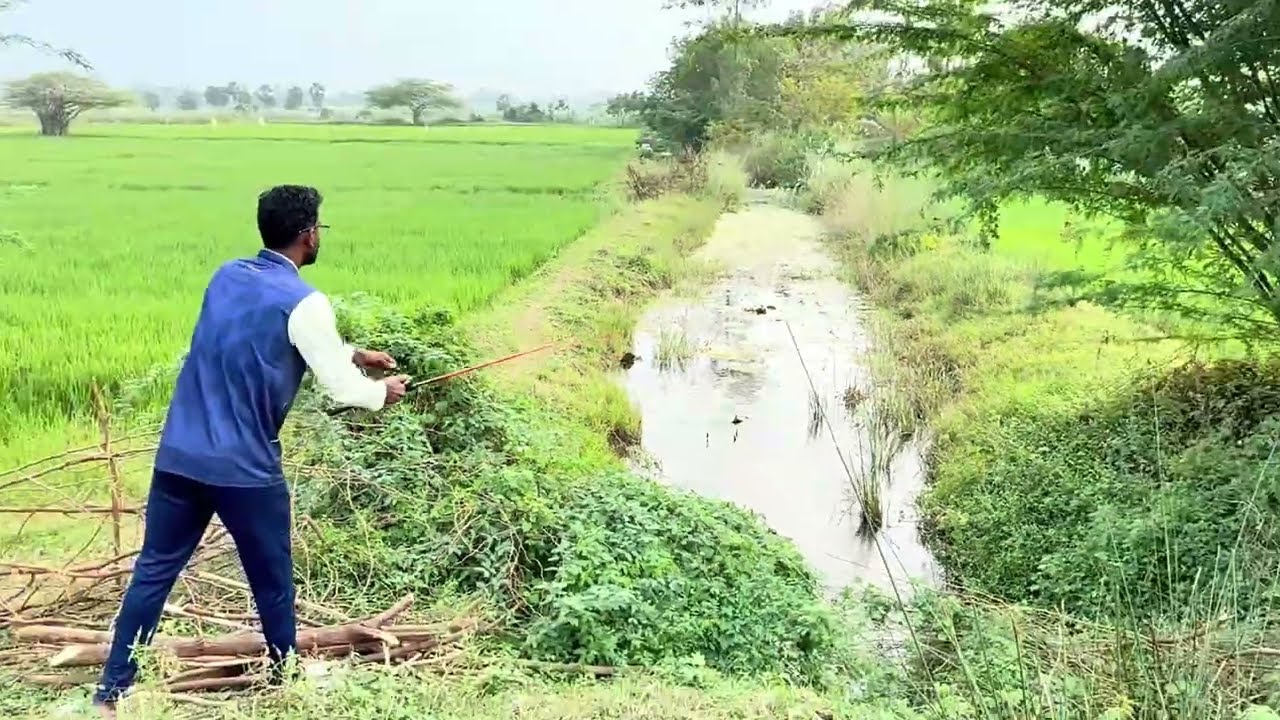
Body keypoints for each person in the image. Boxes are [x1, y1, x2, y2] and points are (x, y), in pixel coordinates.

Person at [93, 185, 410, 717]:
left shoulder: (226, 276)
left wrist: (352, 352)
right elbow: (340, 387)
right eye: (320, 227)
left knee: (153, 571)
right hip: (244, 469)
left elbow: (251, 335)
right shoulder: (306, 301)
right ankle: (286, 677)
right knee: (271, 577)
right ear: (309, 234)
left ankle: (111, 692)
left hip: (180, 457)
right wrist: (382, 391)